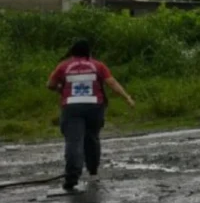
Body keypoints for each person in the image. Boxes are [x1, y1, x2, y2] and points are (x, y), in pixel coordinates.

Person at [47, 40, 135, 192]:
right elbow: (111, 82)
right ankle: (93, 173)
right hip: (94, 107)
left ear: (72, 52)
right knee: (92, 138)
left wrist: (61, 88)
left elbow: (50, 84)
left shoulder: (63, 66)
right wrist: (126, 97)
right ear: (88, 52)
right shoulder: (98, 65)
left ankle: (71, 177)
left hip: (72, 108)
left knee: (74, 142)